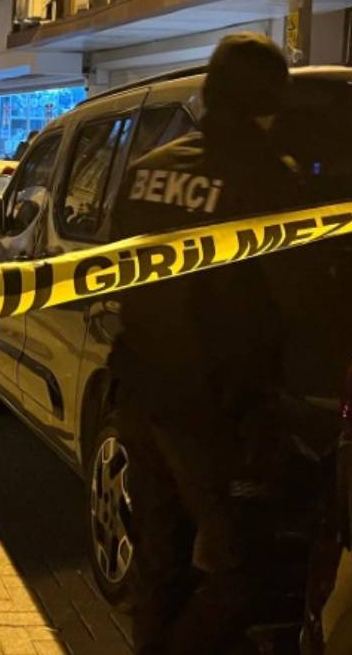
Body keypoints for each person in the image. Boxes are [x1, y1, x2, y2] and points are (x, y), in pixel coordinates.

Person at [107, 32, 300, 655]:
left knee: (159, 555)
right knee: (241, 568)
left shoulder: (147, 170)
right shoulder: (268, 178)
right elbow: (293, 297)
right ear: (268, 103)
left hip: (141, 391)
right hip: (211, 410)